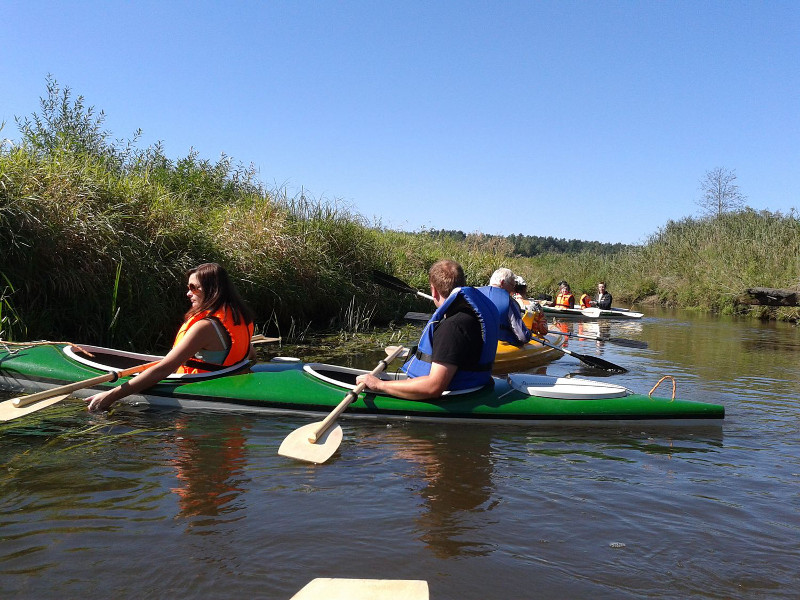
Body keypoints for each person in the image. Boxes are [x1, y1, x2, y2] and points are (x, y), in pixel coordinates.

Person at [85, 263, 256, 411]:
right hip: (227, 382)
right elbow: (251, 357)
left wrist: (109, 396)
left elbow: (163, 369)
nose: (188, 294)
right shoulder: (239, 318)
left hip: (201, 388)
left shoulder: (205, 327)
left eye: (193, 288)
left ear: (212, 290)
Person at [356, 259, 499, 400]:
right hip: (474, 387)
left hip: (460, 396)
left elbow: (433, 387)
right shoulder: (467, 316)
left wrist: (379, 385)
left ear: (433, 291)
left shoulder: (452, 327)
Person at [478, 268, 533, 346]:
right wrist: (529, 333)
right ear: (502, 282)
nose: (512, 289)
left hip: (475, 341)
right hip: (497, 346)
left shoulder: (475, 293)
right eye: (512, 285)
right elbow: (522, 337)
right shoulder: (509, 302)